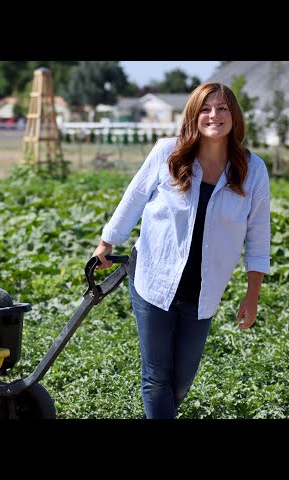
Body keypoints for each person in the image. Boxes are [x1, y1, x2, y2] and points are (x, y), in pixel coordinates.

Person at [91, 82, 270, 419]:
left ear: (234, 116)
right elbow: (134, 197)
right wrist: (107, 242)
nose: (213, 115)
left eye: (222, 108)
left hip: (204, 291)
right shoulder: (168, 153)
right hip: (153, 279)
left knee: (181, 382)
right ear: (193, 114)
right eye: (205, 108)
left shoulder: (252, 170)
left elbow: (259, 236)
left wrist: (252, 295)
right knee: (157, 378)